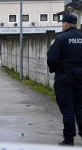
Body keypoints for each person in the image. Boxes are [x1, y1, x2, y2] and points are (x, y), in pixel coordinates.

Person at [47, 13, 82, 145]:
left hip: (65, 78)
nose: (62, 25)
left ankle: (68, 139)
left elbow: (51, 58)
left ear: (66, 24)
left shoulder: (61, 38)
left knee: (68, 109)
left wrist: (54, 70)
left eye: (62, 23)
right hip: (81, 78)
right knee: (80, 108)